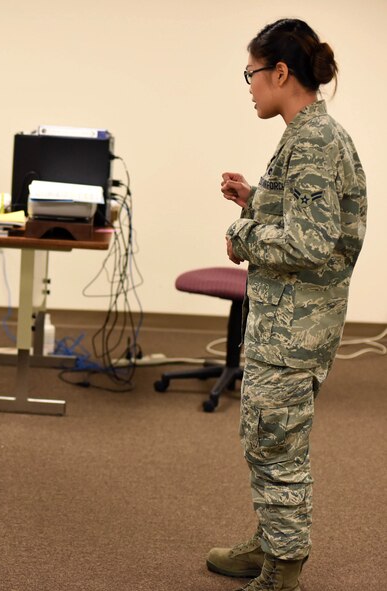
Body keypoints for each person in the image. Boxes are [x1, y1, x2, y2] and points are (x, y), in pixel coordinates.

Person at [208, 19, 367, 591]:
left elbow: (309, 242)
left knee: (277, 444)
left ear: (280, 72)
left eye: (251, 73)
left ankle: (283, 567)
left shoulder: (314, 142)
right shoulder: (306, 136)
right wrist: (256, 198)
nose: (248, 85)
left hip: (295, 328)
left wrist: (242, 236)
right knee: (265, 436)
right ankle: (269, 541)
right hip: (286, 321)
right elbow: (307, 219)